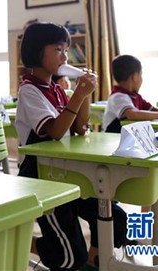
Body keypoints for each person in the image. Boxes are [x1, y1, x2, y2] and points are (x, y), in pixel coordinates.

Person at [16, 22, 128, 270]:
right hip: (42, 178)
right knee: (69, 256)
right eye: (58, 49)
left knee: (116, 218)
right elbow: (55, 131)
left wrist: (83, 94)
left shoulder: (56, 89)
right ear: (37, 52)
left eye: (66, 50)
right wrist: (77, 95)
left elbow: (79, 127)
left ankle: (93, 261)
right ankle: (20, 242)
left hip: (67, 173)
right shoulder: (29, 90)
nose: (65, 56)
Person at [102, 55, 158, 133]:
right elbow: (132, 114)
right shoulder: (118, 96)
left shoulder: (135, 96)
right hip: (112, 137)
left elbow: (151, 109)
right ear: (135, 77)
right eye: (141, 75)